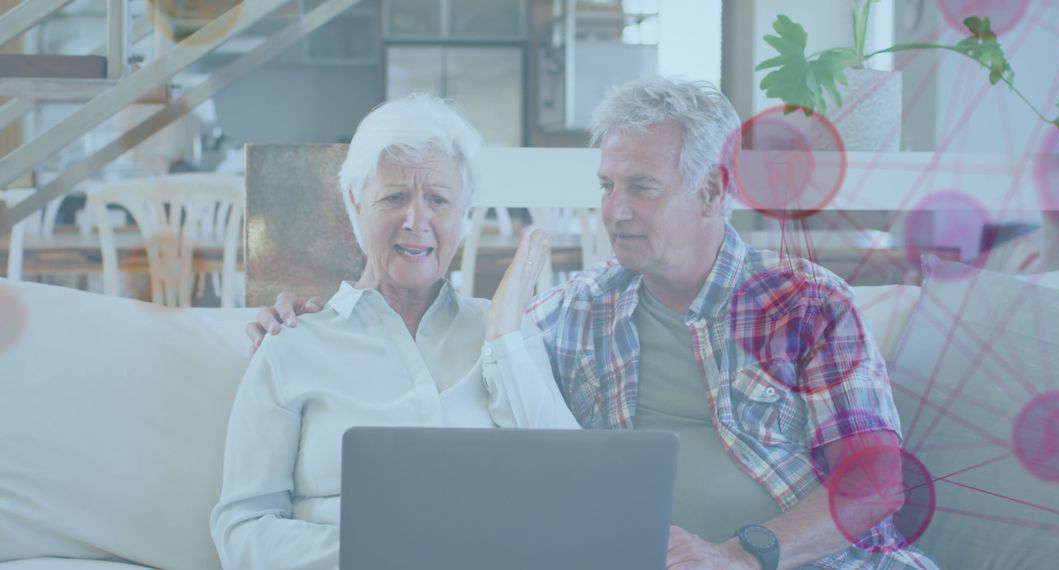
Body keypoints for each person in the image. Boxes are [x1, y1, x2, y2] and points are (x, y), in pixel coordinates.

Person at [251, 78, 936, 570]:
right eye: (607, 185)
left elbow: (876, 482)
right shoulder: (579, 310)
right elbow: (454, 338)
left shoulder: (808, 304)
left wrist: (744, 555)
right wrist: (304, 317)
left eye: (641, 187)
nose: (614, 211)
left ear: (710, 191)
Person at [212, 94, 579, 570]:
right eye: (394, 197)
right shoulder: (292, 343)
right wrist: (373, 557)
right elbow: (242, 528)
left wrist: (506, 333)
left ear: (463, 214)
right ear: (354, 203)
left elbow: (570, 485)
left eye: (439, 200)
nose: (416, 221)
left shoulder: (503, 334)